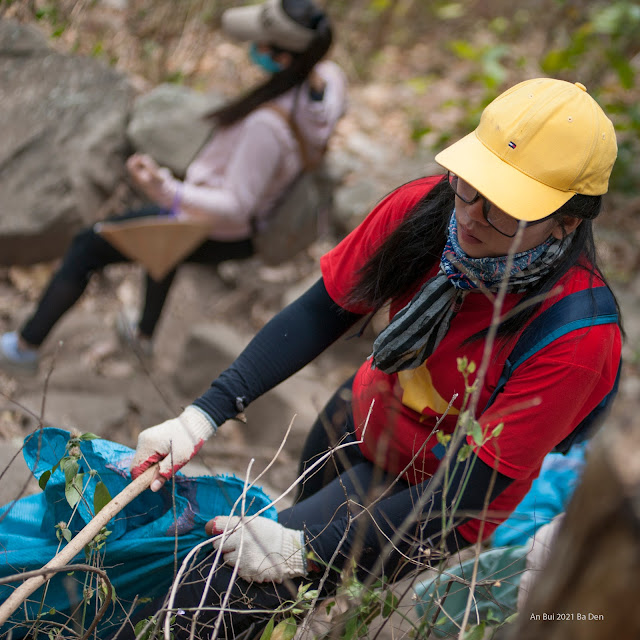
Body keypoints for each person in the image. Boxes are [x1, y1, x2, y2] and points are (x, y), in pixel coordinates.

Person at [122, 77, 622, 638]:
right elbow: (322, 313)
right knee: (279, 590)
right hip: (361, 414)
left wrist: (304, 546)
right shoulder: (427, 212)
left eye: (508, 209)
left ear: (568, 221)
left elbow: (471, 490)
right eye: (471, 185)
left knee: (211, 596)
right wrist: (201, 415)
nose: (475, 215)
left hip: (432, 492)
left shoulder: (576, 337)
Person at [0, 0, 346, 372]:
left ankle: (24, 347)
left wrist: (165, 188)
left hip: (217, 227)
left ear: (283, 58)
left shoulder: (266, 126)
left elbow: (235, 204)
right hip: (243, 229)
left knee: (90, 246)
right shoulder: (326, 81)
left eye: (261, 44)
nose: (253, 50)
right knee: (162, 250)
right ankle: (143, 338)